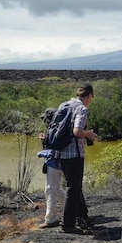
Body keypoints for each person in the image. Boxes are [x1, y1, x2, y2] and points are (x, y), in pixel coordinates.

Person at [58, 84, 98, 234]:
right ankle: (67, 224)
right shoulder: (82, 109)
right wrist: (88, 134)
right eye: (91, 97)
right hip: (74, 154)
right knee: (73, 188)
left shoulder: (64, 105)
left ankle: (82, 216)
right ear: (88, 96)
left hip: (61, 152)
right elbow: (77, 131)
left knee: (74, 186)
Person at [38, 108, 65, 229]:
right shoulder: (61, 127)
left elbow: (53, 147)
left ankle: (51, 218)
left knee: (50, 189)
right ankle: (72, 210)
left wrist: (45, 142)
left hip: (54, 163)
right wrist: (45, 140)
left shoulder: (54, 129)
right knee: (57, 188)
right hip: (60, 162)